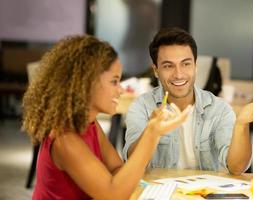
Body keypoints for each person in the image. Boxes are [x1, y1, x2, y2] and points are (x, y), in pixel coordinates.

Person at [22, 35, 191, 200]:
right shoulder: (65, 140)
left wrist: (151, 128)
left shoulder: (90, 124)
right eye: (114, 81)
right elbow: (114, 194)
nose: (121, 90)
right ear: (86, 84)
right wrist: (152, 134)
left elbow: (117, 169)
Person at [122, 27, 253, 175]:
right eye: (168, 66)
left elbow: (237, 167)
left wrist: (241, 124)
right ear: (156, 70)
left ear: (195, 66)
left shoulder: (219, 109)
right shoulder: (141, 107)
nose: (178, 74)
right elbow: (132, 165)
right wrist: (152, 131)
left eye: (186, 64)